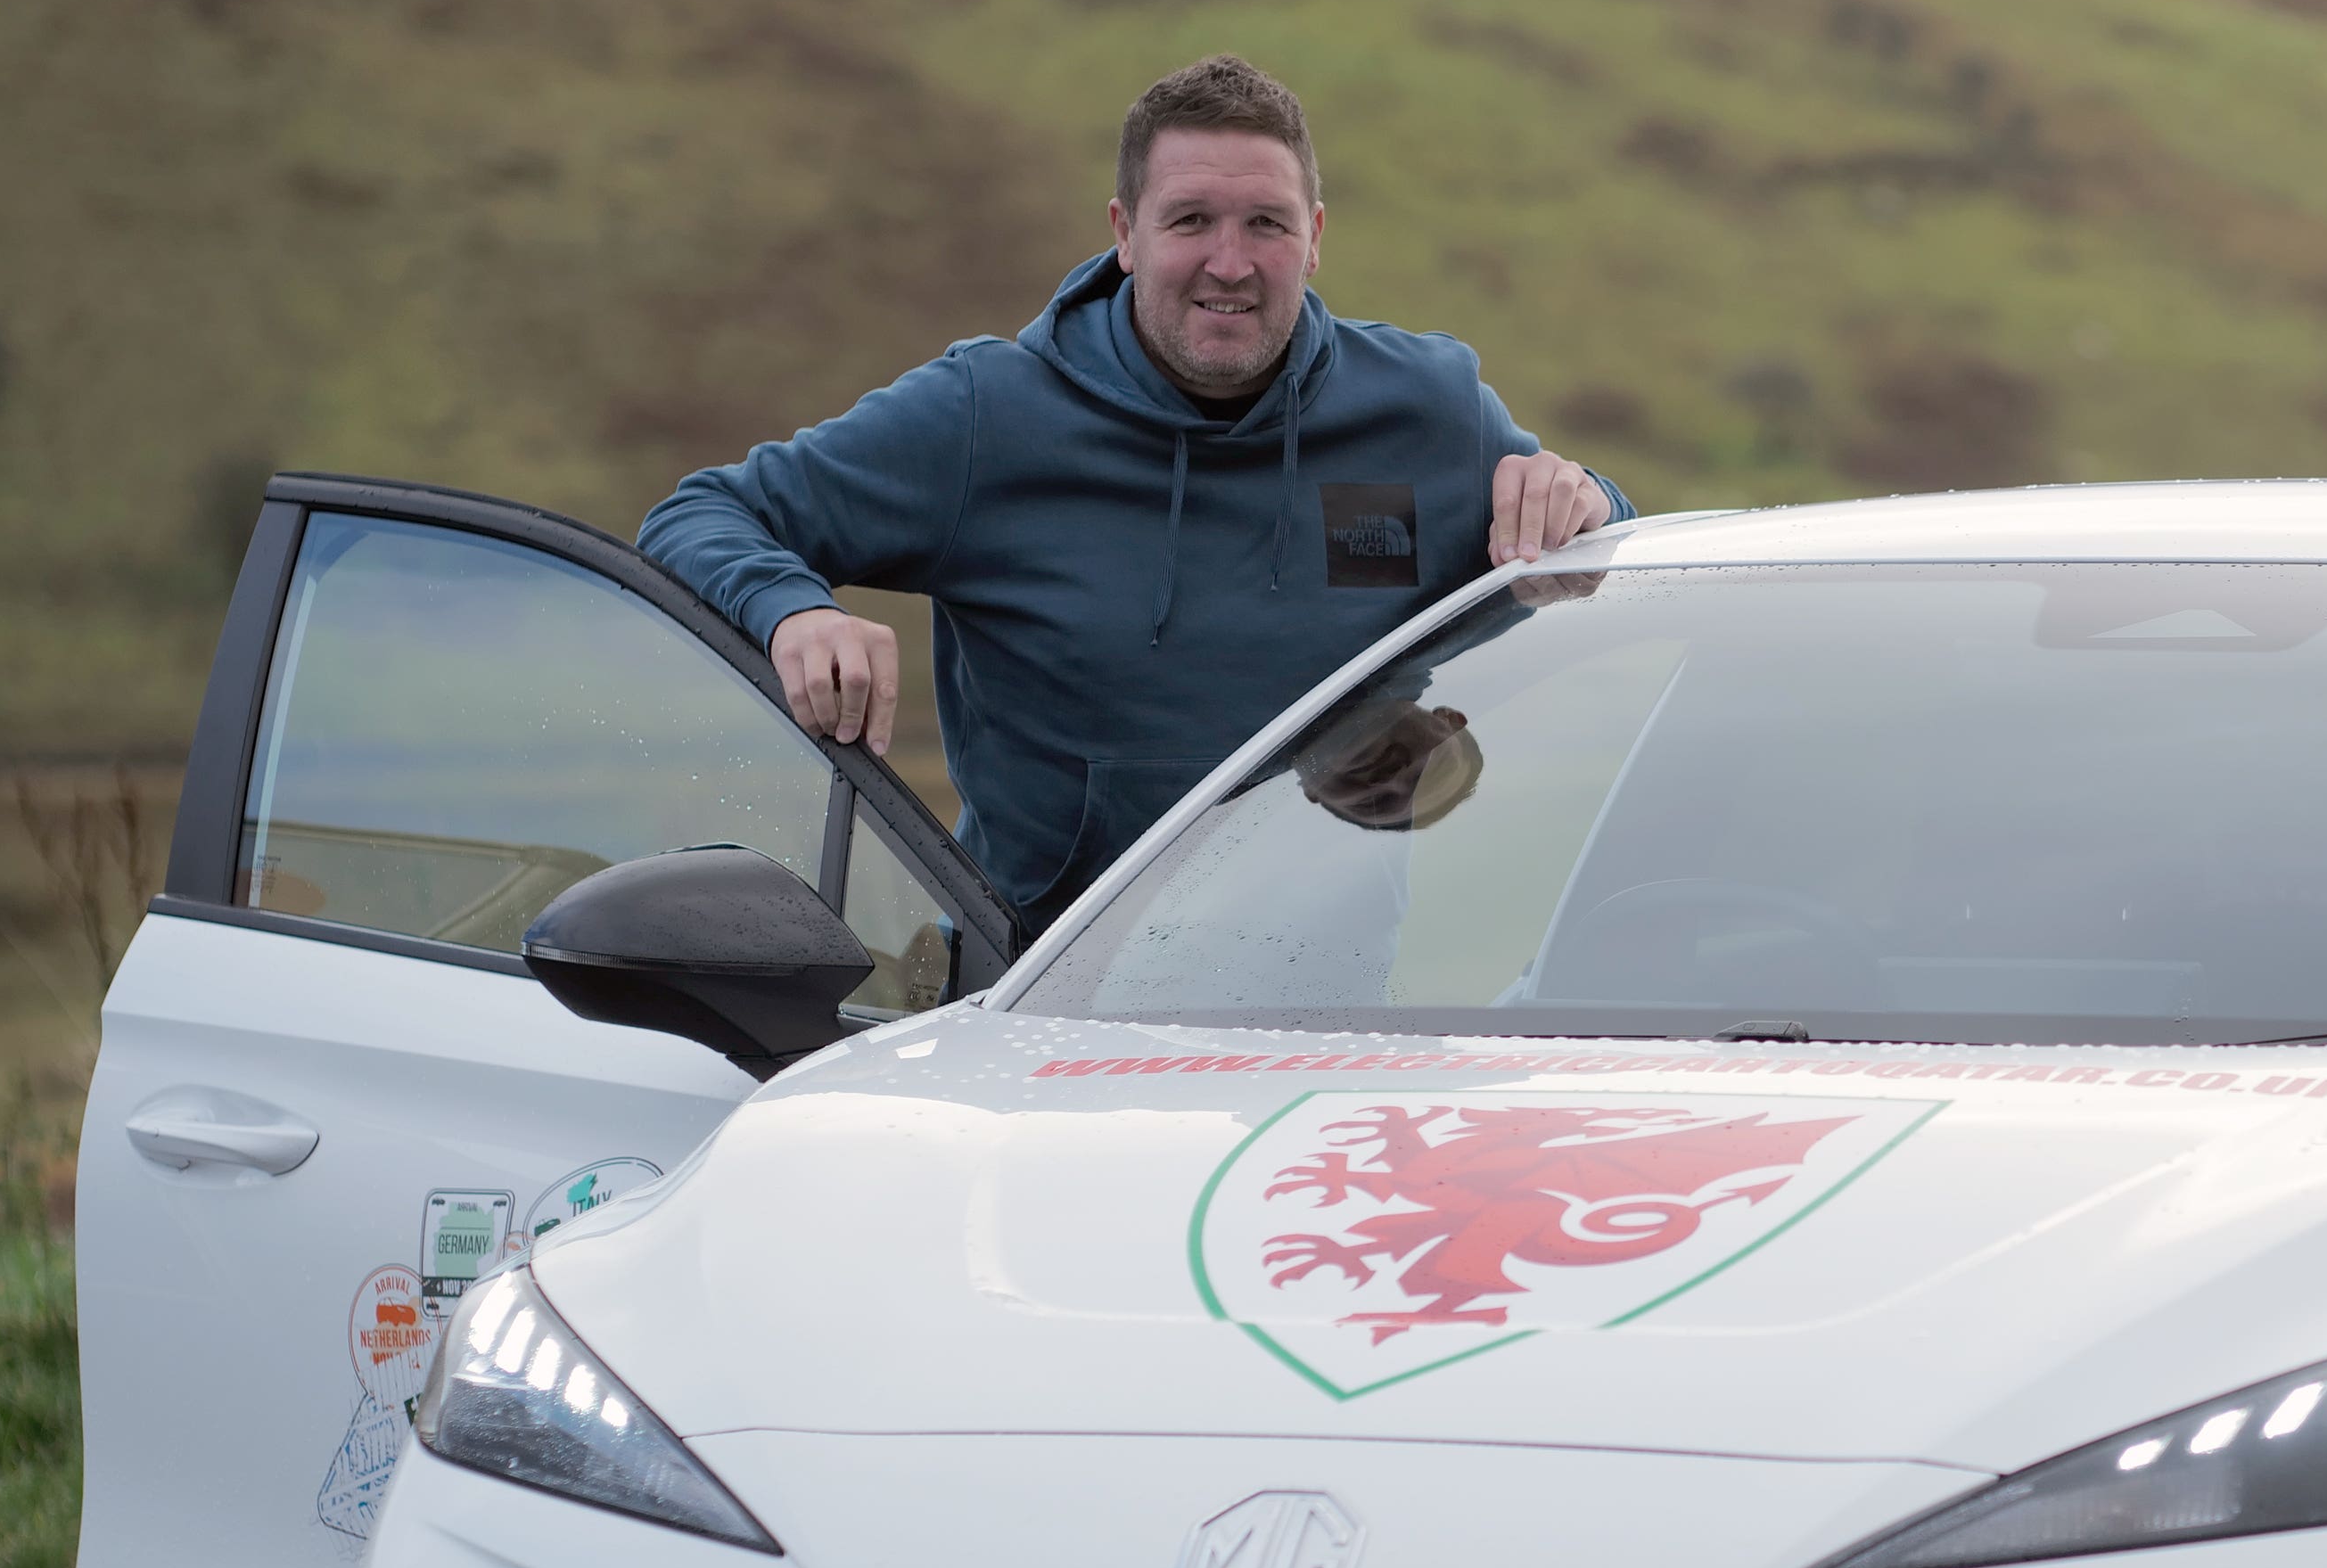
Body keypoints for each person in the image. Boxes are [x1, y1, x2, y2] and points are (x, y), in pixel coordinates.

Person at [644, 55, 1625, 948]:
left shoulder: (1429, 411)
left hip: (1321, 993)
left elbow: (1609, 542)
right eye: (1190, 219)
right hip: (1031, 996)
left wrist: (1584, 497)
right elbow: (698, 514)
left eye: (1267, 224)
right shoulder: (987, 416)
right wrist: (794, 607)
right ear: (1124, 233)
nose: (1230, 263)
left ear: (1315, 237)